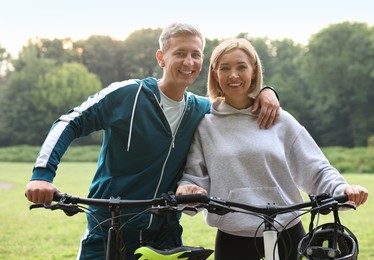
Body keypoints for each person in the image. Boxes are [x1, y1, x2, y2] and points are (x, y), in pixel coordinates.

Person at [24, 23, 280, 259]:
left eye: (196, 54)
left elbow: (238, 104)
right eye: (180, 53)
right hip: (108, 228)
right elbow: (70, 122)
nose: (188, 62)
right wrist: (42, 175)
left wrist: (267, 91)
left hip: (164, 235)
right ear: (161, 58)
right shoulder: (128, 94)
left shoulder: (202, 109)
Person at [176, 38, 369, 260]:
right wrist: (188, 190)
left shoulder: (279, 119)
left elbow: (316, 168)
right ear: (215, 74)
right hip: (232, 235)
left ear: (254, 71)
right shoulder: (205, 125)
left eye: (241, 67)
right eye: (225, 68)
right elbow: (194, 177)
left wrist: (342, 189)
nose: (234, 75)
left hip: (287, 230)